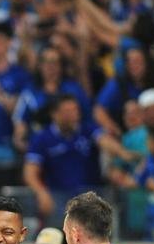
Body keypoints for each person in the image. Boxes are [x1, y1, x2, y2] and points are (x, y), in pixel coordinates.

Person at [23, 96, 103, 224]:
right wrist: (41, 193)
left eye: (76, 110)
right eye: (68, 111)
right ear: (55, 114)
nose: (74, 115)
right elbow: (29, 173)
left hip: (89, 197)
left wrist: (122, 152)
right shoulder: (42, 138)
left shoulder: (87, 129)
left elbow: (106, 142)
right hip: (57, 199)